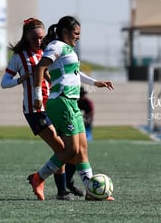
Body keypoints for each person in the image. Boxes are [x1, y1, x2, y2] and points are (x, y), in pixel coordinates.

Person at [28, 15, 115, 201]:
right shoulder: (56, 46)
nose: (79, 37)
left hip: (71, 103)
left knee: (82, 149)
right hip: (61, 101)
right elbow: (39, 68)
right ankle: (38, 178)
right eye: (76, 33)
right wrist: (37, 95)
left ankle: (91, 191)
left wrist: (96, 83)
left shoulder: (68, 50)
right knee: (71, 151)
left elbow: (75, 72)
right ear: (65, 32)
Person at [0, 18, 84, 200]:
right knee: (61, 148)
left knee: (72, 149)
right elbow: (3, 83)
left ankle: (66, 183)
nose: (38, 41)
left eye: (41, 38)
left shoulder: (50, 51)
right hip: (35, 110)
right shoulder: (19, 58)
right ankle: (59, 188)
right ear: (26, 37)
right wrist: (18, 80)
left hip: (56, 106)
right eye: (34, 38)